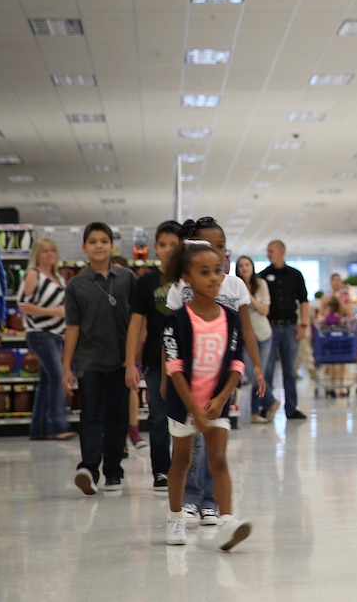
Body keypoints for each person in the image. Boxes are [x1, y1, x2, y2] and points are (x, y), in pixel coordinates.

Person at [164, 217, 265, 528]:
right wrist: (169, 382)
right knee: (185, 454)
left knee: (217, 453)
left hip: (219, 384)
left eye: (221, 248)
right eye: (209, 249)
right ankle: (184, 506)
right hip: (186, 390)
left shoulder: (234, 286)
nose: (218, 258)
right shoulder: (180, 293)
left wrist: (257, 367)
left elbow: (245, 334)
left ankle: (218, 509)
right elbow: (170, 345)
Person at [61, 222, 137, 495]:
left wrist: (133, 360)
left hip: (119, 362)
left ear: (111, 245)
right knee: (91, 416)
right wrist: (66, 366)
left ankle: (113, 471)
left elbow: (138, 321)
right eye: (92, 241)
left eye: (103, 241)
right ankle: (89, 470)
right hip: (89, 362)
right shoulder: (76, 285)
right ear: (84, 247)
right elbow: (72, 327)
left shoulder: (127, 279)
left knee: (117, 417)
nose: (98, 246)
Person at [124, 220, 180, 492]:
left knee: (185, 418)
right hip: (155, 362)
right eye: (163, 244)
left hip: (187, 363)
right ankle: (161, 470)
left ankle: (185, 470)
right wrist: (129, 364)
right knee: (158, 416)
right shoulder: (145, 282)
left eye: (174, 244)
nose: (168, 250)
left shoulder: (192, 279)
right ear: (155, 248)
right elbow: (135, 324)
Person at [17, 237, 74, 441]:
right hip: (40, 333)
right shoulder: (34, 275)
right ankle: (58, 426)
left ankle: (38, 430)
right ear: (37, 255)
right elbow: (23, 305)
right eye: (44, 251)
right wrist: (53, 312)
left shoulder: (58, 277)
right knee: (58, 377)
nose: (49, 254)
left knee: (47, 380)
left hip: (56, 334)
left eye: (52, 250)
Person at [259, 239, 310, 420]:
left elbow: (304, 301)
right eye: (267, 251)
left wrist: (303, 325)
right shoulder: (263, 276)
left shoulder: (295, 275)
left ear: (282, 251)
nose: (268, 254)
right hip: (270, 328)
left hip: (290, 327)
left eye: (271, 251)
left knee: (289, 370)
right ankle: (266, 405)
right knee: (268, 369)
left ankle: (291, 408)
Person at [236, 255, 280, 424]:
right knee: (253, 374)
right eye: (241, 266)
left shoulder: (261, 284)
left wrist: (249, 297)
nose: (244, 268)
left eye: (247, 264)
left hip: (263, 334)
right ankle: (272, 402)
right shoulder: (235, 286)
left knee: (261, 373)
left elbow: (265, 310)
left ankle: (255, 413)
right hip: (246, 337)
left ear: (252, 267)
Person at [111, 254, 147, 454]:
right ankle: (118, 439)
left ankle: (133, 430)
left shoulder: (134, 294)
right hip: (108, 348)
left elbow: (142, 323)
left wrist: (137, 350)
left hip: (130, 348)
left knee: (131, 388)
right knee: (112, 394)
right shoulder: (103, 292)